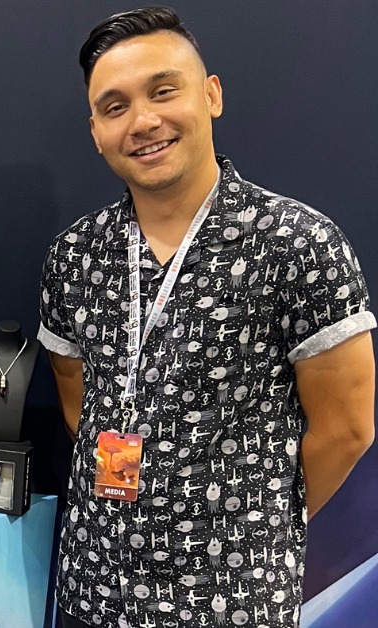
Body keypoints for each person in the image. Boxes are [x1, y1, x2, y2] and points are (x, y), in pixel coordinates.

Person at [38, 7, 374, 628]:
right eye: (115, 107)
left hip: (234, 596)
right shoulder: (75, 255)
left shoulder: (298, 244)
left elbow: (347, 428)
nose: (143, 121)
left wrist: (256, 522)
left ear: (211, 95)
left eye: (163, 91)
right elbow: (77, 398)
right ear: (96, 131)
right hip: (95, 587)